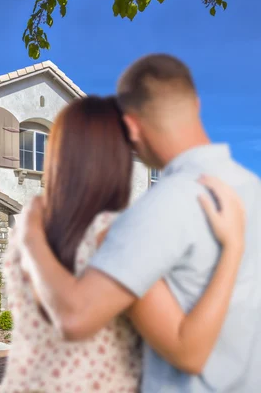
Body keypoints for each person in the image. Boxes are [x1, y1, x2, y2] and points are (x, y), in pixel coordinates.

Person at [13, 55, 261, 392]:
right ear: (196, 103)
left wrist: (29, 235)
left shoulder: (159, 208)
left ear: (132, 127)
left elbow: (75, 317)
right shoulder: (251, 189)